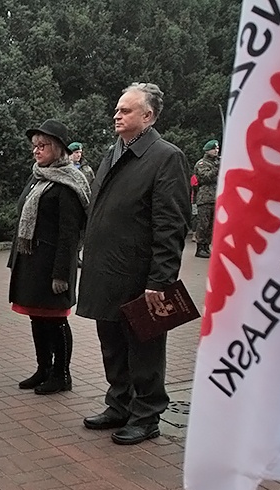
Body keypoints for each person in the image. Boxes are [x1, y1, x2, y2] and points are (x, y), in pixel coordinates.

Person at [78, 82, 191, 445]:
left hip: (141, 276)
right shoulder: (113, 153)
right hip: (106, 272)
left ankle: (147, 415)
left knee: (144, 347)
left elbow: (171, 224)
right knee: (111, 342)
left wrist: (160, 280)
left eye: (126, 110)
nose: (117, 114)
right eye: (117, 108)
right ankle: (119, 403)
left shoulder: (165, 157)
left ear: (148, 116)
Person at [8, 120, 89, 395]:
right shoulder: (38, 176)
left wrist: (61, 274)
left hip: (52, 265)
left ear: (58, 149)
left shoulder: (68, 184)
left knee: (55, 320)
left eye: (43, 146)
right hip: (31, 263)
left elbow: (70, 235)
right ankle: (43, 368)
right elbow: (23, 221)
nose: (37, 151)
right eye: (35, 146)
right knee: (37, 317)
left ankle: (61, 374)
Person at [193, 139, 220, 258]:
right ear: (208, 150)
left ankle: (206, 246)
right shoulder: (202, 164)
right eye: (214, 149)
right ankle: (200, 247)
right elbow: (205, 178)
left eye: (217, 148)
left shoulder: (217, 162)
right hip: (205, 198)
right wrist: (216, 168)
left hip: (216, 197)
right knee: (203, 224)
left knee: (211, 226)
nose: (216, 151)